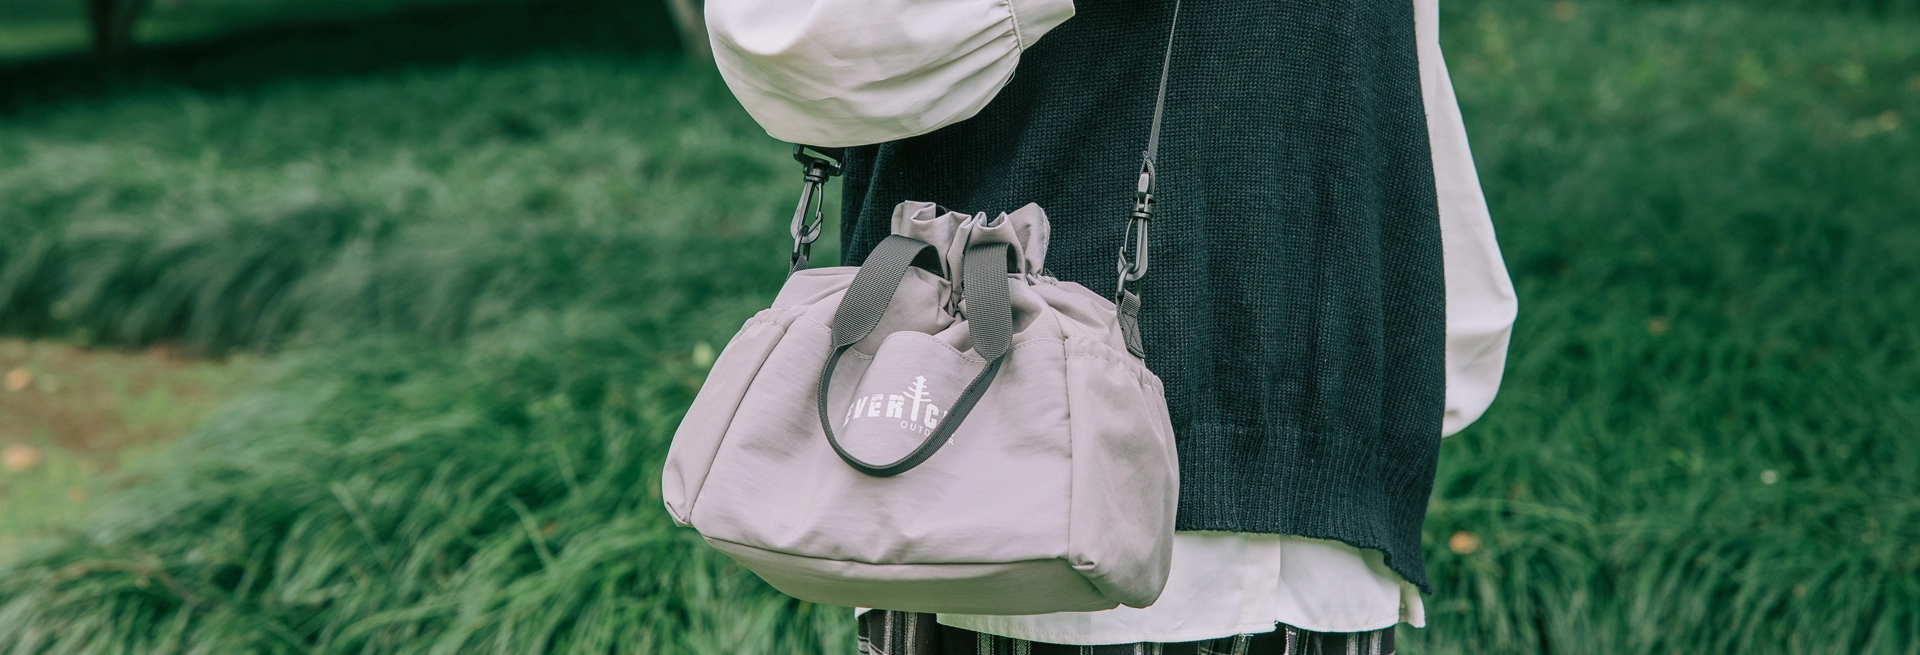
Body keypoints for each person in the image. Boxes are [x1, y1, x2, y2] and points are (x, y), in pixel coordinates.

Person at [724, 0, 1516, 651]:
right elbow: (785, 35)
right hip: (1004, 509)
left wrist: (1418, 356)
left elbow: (1390, 72)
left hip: (1327, 539)